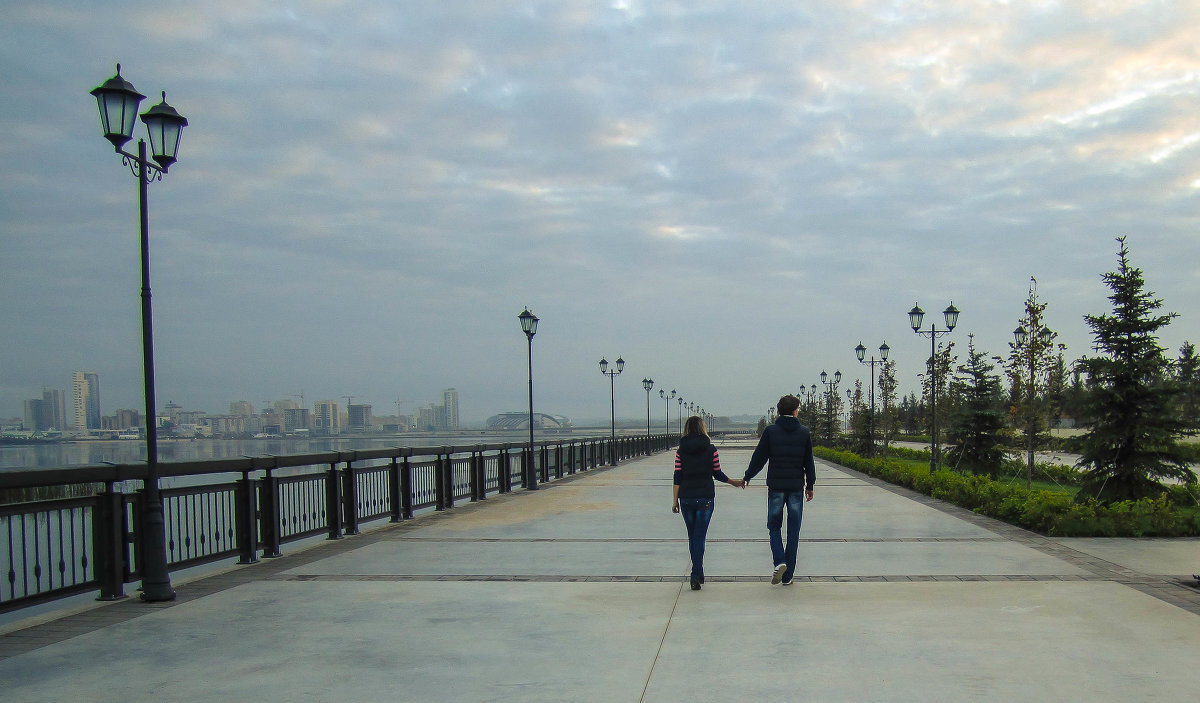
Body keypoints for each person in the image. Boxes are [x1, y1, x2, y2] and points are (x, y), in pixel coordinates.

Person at [742, 394, 815, 585]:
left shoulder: (771, 431)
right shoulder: (804, 432)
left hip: (776, 487)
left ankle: (779, 561)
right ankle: (788, 575)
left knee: (774, 526)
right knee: (793, 530)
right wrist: (810, 485)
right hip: (796, 487)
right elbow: (809, 462)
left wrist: (748, 476)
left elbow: (759, 457)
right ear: (795, 411)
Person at [673, 415, 743, 590]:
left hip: (686, 498)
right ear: (703, 428)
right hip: (705, 497)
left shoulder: (681, 451)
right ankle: (695, 574)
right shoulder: (711, 449)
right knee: (700, 537)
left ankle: (698, 572)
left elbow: (677, 476)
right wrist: (733, 482)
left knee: (692, 537)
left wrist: (675, 500)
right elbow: (717, 473)